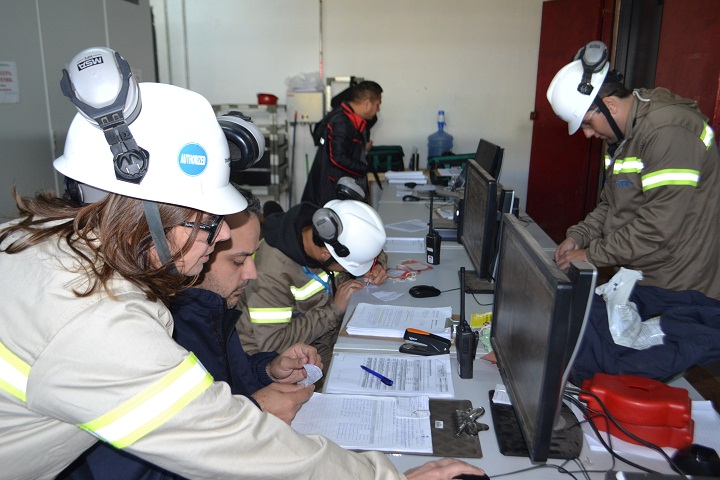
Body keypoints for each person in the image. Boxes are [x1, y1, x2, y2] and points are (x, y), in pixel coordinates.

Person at [0, 46, 485, 480]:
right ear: (148, 211)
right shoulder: (92, 319)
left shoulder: (50, 251)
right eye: (207, 222)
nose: (222, 236)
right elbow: (236, 448)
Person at [59, 186, 320, 479]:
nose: (251, 274)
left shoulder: (211, 309)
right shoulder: (154, 332)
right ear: (200, 251)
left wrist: (268, 370)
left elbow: (226, 384)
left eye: (252, 258)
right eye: (237, 261)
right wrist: (252, 415)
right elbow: (136, 467)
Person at [547, 41, 720, 299]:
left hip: (677, 284)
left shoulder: (668, 133)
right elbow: (611, 205)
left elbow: (656, 227)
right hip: (639, 272)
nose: (587, 134)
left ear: (610, 106)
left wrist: (590, 254)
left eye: (587, 123)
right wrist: (579, 237)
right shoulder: (625, 138)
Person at [238, 199, 389, 370]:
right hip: (278, 360)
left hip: (325, 337)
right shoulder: (272, 273)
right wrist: (334, 310)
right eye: (348, 265)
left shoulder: (327, 229)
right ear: (326, 254)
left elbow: (367, 247)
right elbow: (274, 343)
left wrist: (377, 265)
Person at [301, 80, 383, 206]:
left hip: (340, 186)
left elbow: (345, 146)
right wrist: (364, 169)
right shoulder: (342, 122)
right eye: (377, 105)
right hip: (333, 191)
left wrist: (361, 146)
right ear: (367, 103)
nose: (378, 109)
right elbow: (338, 158)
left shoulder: (351, 119)